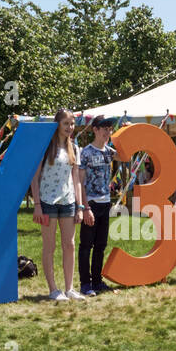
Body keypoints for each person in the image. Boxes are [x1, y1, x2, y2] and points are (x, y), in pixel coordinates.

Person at [30, 110, 87, 301]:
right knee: (50, 246)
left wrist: (80, 206)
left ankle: (70, 288)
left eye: (72, 124)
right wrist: (37, 204)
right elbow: (35, 177)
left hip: (68, 202)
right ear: (57, 125)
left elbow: (76, 179)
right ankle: (53, 289)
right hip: (47, 202)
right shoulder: (46, 147)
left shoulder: (75, 148)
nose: (70, 128)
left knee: (69, 245)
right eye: (66, 124)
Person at [78, 116, 115, 296]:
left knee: (101, 245)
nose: (107, 132)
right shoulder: (86, 153)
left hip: (105, 202)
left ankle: (97, 281)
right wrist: (85, 207)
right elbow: (81, 182)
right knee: (86, 245)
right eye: (104, 129)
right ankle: (85, 283)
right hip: (90, 203)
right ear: (95, 130)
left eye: (110, 129)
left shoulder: (110, 152)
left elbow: (126, 154)